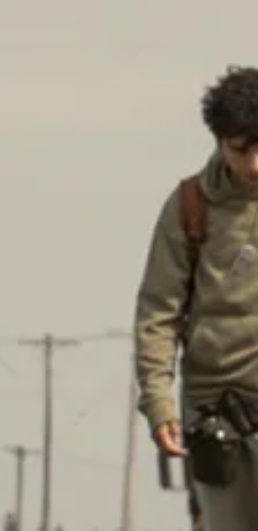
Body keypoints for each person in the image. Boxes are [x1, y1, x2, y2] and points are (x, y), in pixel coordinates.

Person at [135, 65, 258, 531]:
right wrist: (158, 402)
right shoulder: (191, 206)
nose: (254, 164)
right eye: (241, 150)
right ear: (220, 142)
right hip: (216, 412)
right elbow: (158, 312)